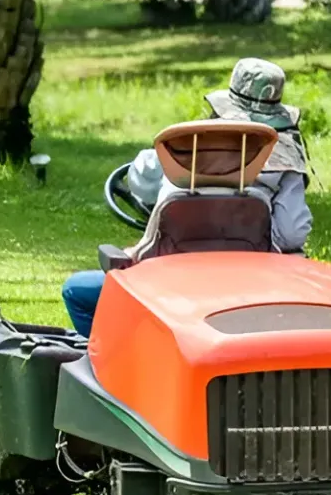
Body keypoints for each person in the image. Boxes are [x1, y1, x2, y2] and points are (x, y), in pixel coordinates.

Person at [62, 57, 314, 338]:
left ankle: (110, 364)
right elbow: (292, 233)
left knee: (76, 290)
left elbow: (142, 183)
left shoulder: (183, 143)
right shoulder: (287, 166)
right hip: (250, 290)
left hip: (166, 289)